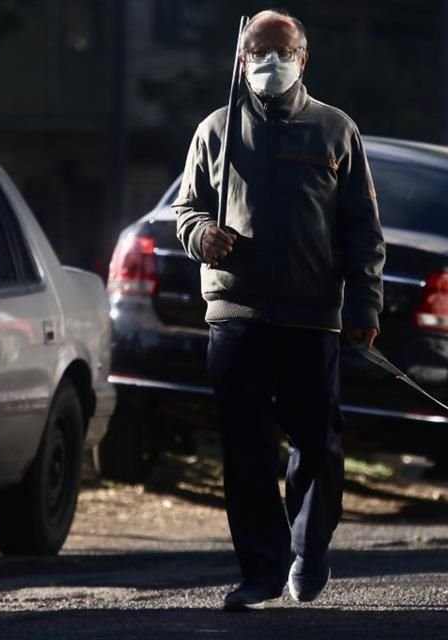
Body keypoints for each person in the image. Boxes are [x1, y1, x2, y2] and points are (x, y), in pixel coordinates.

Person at [173, 9, 385, 611]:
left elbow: (362, 231)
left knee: (318, 445)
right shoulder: (216, 129)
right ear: (241, 60)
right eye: (259, 51)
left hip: (311, 317)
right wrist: (201, 236)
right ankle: (260, 572)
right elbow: (185, 210)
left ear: (303, 58)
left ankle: (308, 548)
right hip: (235, 315)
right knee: (245, 450)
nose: (271, 62)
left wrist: (364, 303)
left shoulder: (335, 131)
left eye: (282, 50)